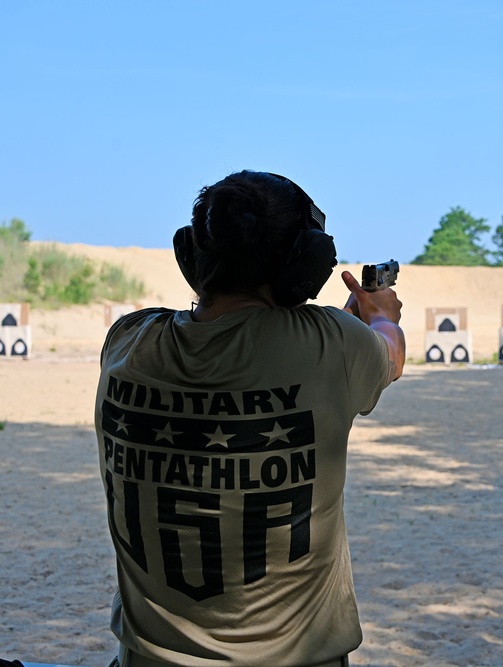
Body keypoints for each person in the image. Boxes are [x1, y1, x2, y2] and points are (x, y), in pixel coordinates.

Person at [94, 170, 404, 667]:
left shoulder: (127, 341)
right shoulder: (333, 344)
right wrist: (380, 316)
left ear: (192, 253)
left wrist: (343, 332)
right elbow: (389, 355)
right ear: (306, 265)